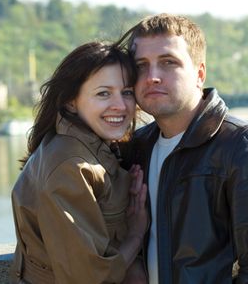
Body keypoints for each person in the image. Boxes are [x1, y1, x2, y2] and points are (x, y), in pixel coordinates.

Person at [116, 13, 248, 283]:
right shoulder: (135, 147)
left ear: (199, 73)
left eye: (168, 63)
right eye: (141, 66)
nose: (152, 77)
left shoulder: (245, 147)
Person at [10, 41, 148, 283]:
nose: (120, 105)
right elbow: (89, 278)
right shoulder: (71, 166)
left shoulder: (85, 146)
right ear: (71, 101)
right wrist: (136, 233)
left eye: (126, 92)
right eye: (103, 93)